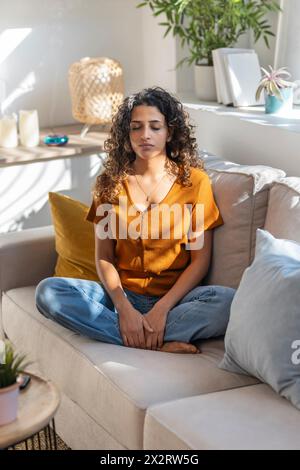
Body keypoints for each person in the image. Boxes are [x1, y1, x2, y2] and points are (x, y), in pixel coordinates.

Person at [36, 86, 235, 354]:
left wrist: (163, 309)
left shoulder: (195, 183)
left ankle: (139, 336)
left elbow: (200, 262)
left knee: (227, 301)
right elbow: (104, 257)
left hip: (176, 299)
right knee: (48, 292)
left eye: (155, 127)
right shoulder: (109, 185)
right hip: (123, 295)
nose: (145, 136)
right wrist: (124, 308)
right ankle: (158, 342)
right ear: (126, 135)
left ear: (170, 131)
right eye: (136, 127)